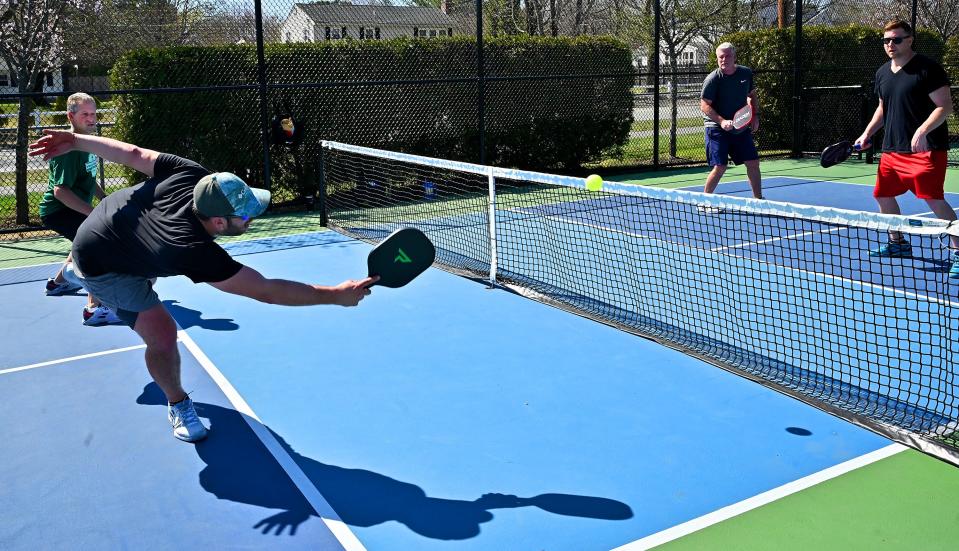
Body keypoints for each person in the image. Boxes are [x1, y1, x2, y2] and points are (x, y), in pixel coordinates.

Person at [29, 129, 377, 443]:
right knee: (163, 335)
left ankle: (81, 271)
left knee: (147, 268)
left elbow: (133, 153)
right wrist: (335, 295)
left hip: (119, 226)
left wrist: (75, 140)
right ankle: (178, 402)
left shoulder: (195, 177)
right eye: (245, 216)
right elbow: (266, 290)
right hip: (103, 263)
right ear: (217, 221)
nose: (251, 219)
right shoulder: (190, 248)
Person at [854, 19, 959, 277]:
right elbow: (883, 108)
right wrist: (867, 133)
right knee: (882, 194)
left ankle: (958, 252)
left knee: (932, 198)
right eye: (886, 40)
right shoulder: (882, 73)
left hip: (926, 149)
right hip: (892, 149)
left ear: (909, 40)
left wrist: (922, 130)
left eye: (896, 39)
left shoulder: (927, 69)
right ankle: (897, 242)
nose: (890, 44)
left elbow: (944, 106)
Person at [38, 92, 122, 326]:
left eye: (93, 114)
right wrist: (94, 213)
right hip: (58, 210)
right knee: (96, 245)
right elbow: (60, 191)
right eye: (85, 114)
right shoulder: (69, 149)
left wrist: (103, 198)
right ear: (70, 116)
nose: (91, 118)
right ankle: (95, 308)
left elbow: (87, 177)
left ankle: (58, 283)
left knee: (82, 242)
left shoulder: (86, 143)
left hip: (70, 208)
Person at [700, 42, 763, 204]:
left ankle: (758, 200)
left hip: (740, 127)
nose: (724, 59)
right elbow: (704, 105)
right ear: (717, 59)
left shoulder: (745, 73)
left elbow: (751, 95)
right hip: (716, 128)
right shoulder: (713, 79)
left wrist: (754, 116)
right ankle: (705, 202)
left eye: (727, 56)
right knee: (720, 167)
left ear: (734, 57)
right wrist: (721, 122)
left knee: (753, 162)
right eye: (721, 56)